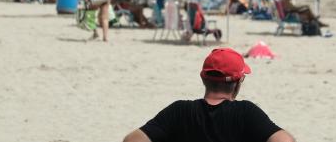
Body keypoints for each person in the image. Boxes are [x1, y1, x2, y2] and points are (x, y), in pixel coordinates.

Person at [123, 48, 294, 142]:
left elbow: (132, 140)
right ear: (239, 81)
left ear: (202, 78)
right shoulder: (246, 113)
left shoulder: (179, 111)